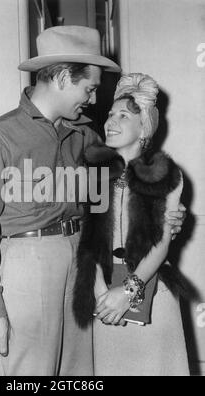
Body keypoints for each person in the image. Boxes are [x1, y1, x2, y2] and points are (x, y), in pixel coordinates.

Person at [0, 26, 185, 376]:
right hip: (30, 264)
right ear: (64, 77)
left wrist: (168, 215)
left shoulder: (87, 137)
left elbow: (121, 196)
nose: (94, 101)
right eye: (89, 88)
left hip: (83, 265)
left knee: (80, 376)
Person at [73, 73, 190, 376]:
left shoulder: (167, 174)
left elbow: (162, 243)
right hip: (106, 299)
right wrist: (101, 293)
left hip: (151, 292)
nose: (111, 121)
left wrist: (128, 292)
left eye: (123, 115)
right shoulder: (96, 174)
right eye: (111, 114)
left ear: (143, 128)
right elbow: (91, 238)